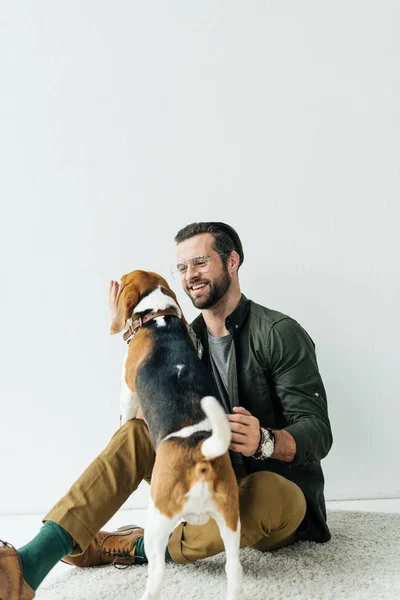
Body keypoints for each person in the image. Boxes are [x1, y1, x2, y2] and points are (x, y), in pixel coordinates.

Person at [0, 222, 333, 600]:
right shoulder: (182, 336)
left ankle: (136, 546)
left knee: (271, 495)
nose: (191, 275)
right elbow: (145, 417)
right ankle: (30, 562)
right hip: (196, 472)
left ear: (233, 261)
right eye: (183, 267)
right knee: (134, 433)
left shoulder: (278, 333)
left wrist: (266, 441)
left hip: (266, 493)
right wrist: (133, 330)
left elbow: (318, 430)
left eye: (201, 262)